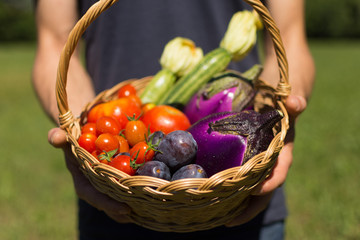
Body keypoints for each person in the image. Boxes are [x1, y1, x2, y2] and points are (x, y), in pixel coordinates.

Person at [32, 0, 315, 239]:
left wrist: (280, 112)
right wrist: (83, 134)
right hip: (116, 196)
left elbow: (288, 37)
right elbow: (54, 43)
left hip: (243, 195)